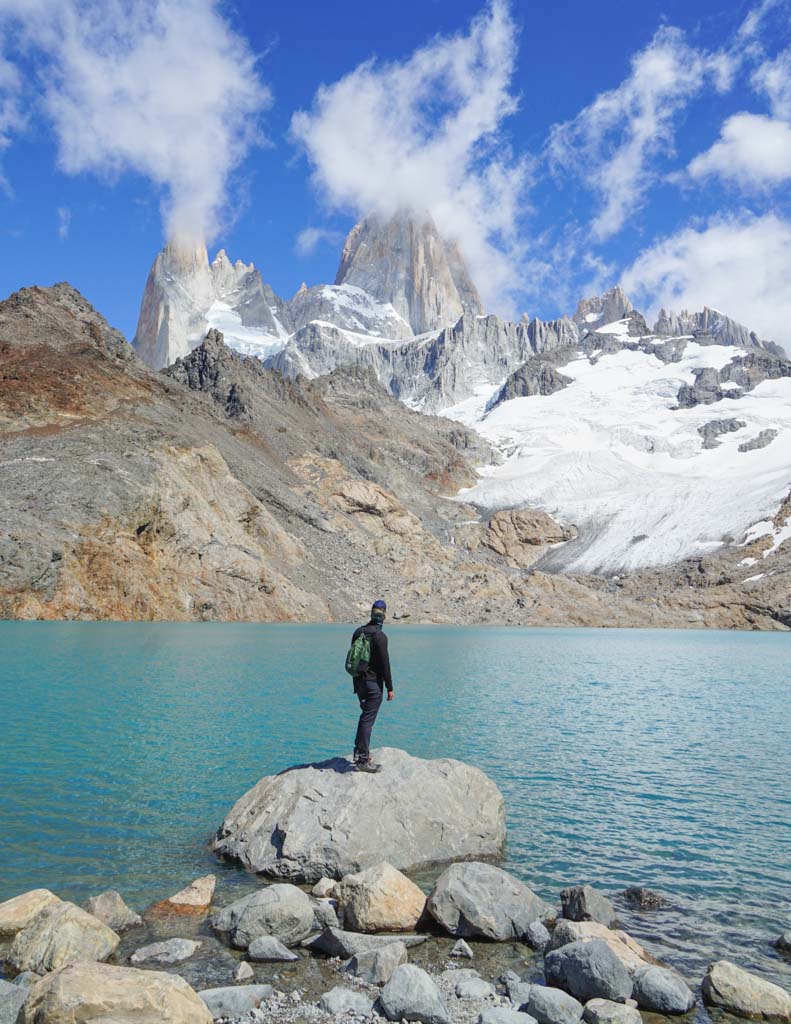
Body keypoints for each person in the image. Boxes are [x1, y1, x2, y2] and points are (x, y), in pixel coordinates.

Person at [351, 599, 394, 772]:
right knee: (367, 720)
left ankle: (358, 751)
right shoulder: (380, 636)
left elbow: (354, 660)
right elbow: (385, 665)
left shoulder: (358, 632)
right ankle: (362, 759)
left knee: (364, 717)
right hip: (373, 685)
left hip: (359, 682)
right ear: (384, 615)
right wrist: (390, 688)